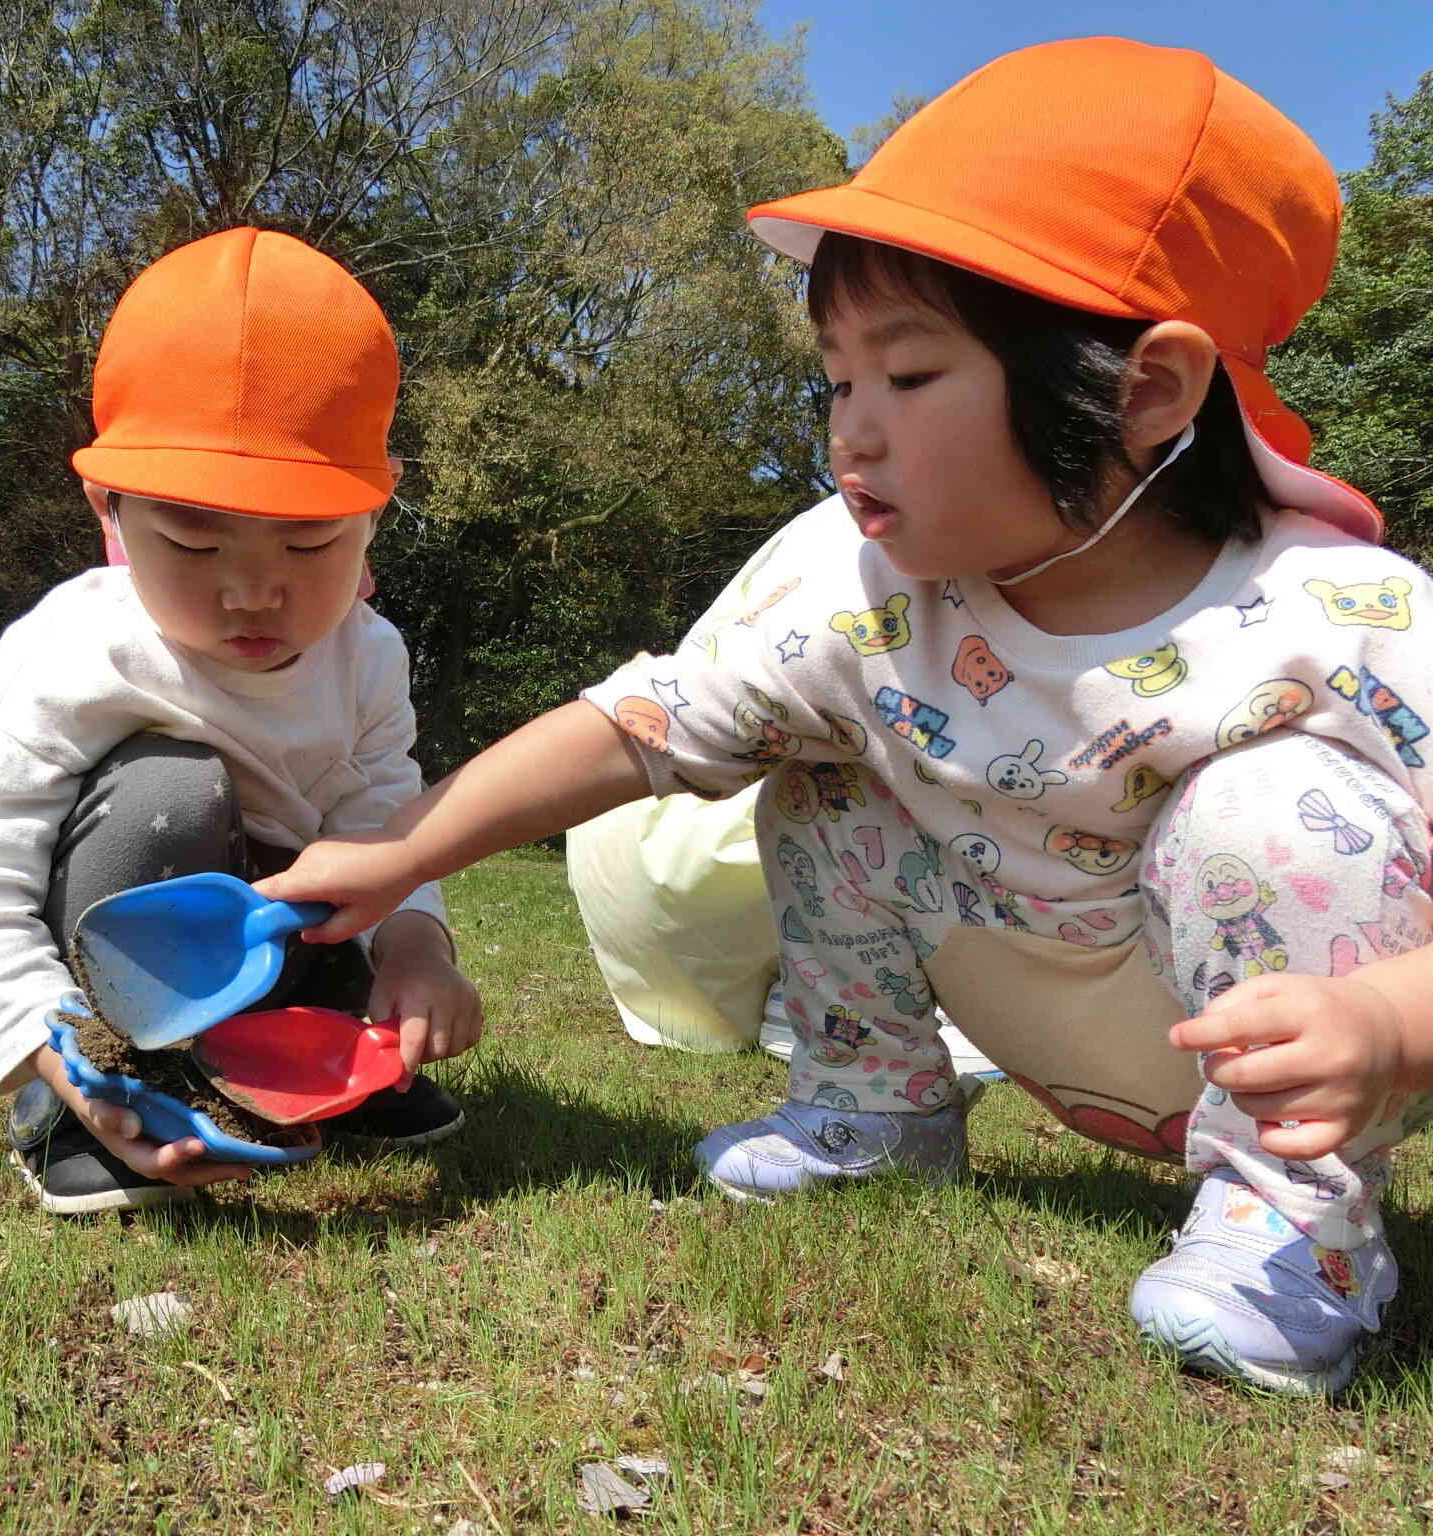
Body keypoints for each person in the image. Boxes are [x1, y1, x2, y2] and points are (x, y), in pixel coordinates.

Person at [256, 38, 1433, 1397]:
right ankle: (873, 1113)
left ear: (1144, 392)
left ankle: (1299, 1236)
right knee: (822, 770)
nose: (851, 433)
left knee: (1273, 805)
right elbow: (639, 721)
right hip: (1031, 993)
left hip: (1298, 1052)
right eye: (838, 378)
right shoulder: (866, 595)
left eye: (911, 377)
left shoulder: (1344, 617)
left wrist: (1392, 1024)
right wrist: (408, 857)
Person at [0, 227, 483, 1216]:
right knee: (173, 793)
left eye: (309, 545)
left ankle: (309, 1067)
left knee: (328, 857)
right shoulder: (73, 648)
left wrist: (415, 948)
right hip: (116, 953)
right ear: (108, 510)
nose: (253, 592)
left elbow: (381, 815)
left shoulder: (371, 653)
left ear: (375, 513)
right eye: (192, 539)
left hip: (280, 947)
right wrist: (55, 1057)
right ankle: (114, 1097)